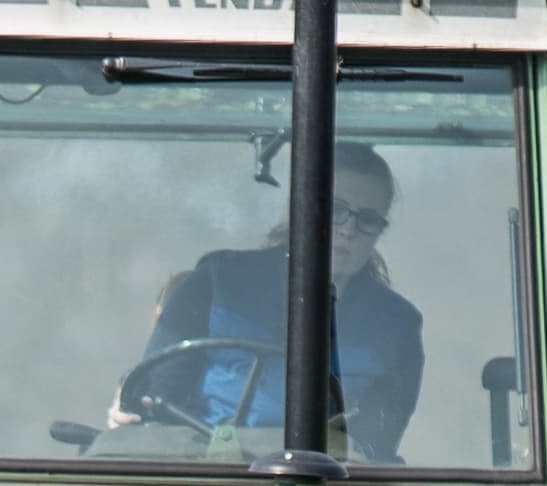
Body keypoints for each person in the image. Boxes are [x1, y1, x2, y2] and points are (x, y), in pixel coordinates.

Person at [113, 138, 425, 462]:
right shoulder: (217, 282)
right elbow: (155, 398)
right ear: (301, 207)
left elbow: (376, 443)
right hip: (201, 475)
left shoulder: (398, 326)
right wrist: (130, 406)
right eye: (335, 210)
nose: (348, 230)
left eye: (367, 219)